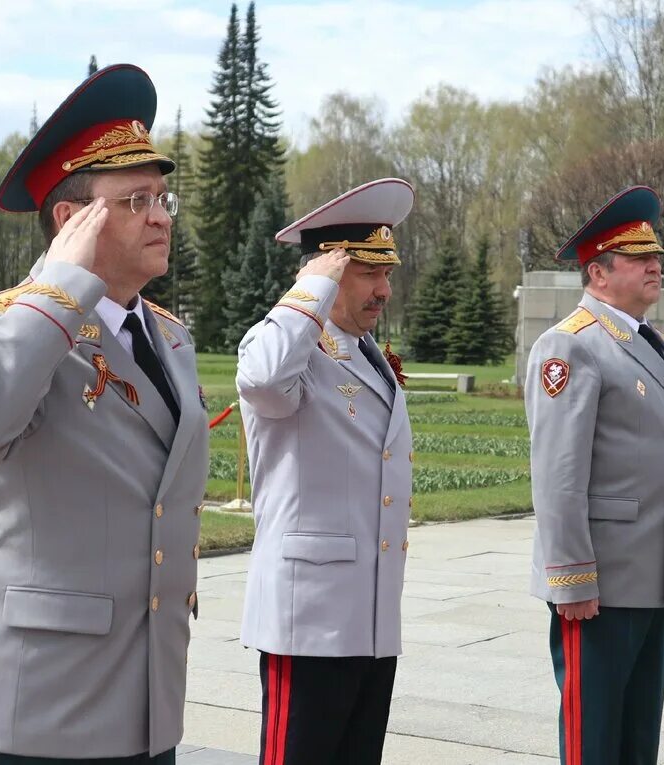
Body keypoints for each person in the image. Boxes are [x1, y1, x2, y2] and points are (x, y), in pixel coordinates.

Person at [0, 64, 210, 764]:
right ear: (71, 219)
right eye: (135, 199)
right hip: (41, 707)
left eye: (162, 197)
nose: (160, 214)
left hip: (147, 703)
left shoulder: (169, 336)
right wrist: (58, 289)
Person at [236, 178, 415, 765]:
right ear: (328, 271)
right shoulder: (286, 345)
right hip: (308, 618)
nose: (384, 289)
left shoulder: (366, 353)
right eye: (368, 272)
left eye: (387, 273)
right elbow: (262, 380)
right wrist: (309, 288)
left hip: (368, 615)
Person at [525, 186, 664, 765]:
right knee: (593, 733)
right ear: (598, 273)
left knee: (636, 732)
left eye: (656, 255)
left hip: (650, 572)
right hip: (599, 581)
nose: (655, 265)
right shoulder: (572, 347)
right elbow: (558, 472)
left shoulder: (654, 346)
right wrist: (571, 577)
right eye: (638, 258)